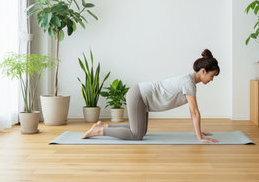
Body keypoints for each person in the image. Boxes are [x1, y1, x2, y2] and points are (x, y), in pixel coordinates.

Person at [81, 49, 220, 143]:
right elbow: (195, 112)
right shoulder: (188, 83)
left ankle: (102, 125)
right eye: (212, 75)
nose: (212, 79)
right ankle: (99, 131)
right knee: (137, 135)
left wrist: (199, 133)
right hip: (139, 96)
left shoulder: (189, 81)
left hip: (141, 96)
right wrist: (199, 136)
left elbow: (193, 112)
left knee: (141, 130)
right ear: (203, 71)